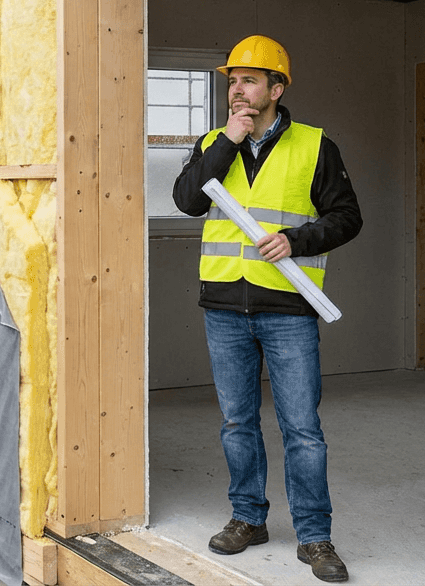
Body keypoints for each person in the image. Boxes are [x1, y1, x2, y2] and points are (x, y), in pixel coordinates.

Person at [172, 35, 362, 584]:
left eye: (249, 80)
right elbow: (187, 201)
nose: (237, 89)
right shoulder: (215, 141)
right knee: (237, 422)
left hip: (287, 307)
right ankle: (248, 519)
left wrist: (296, 240)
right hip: (225, 305)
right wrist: (229, 139)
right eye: (231, 81)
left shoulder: (315, 145)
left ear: (276, 89)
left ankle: (314, 535)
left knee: (302, 427)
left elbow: (347, 217)